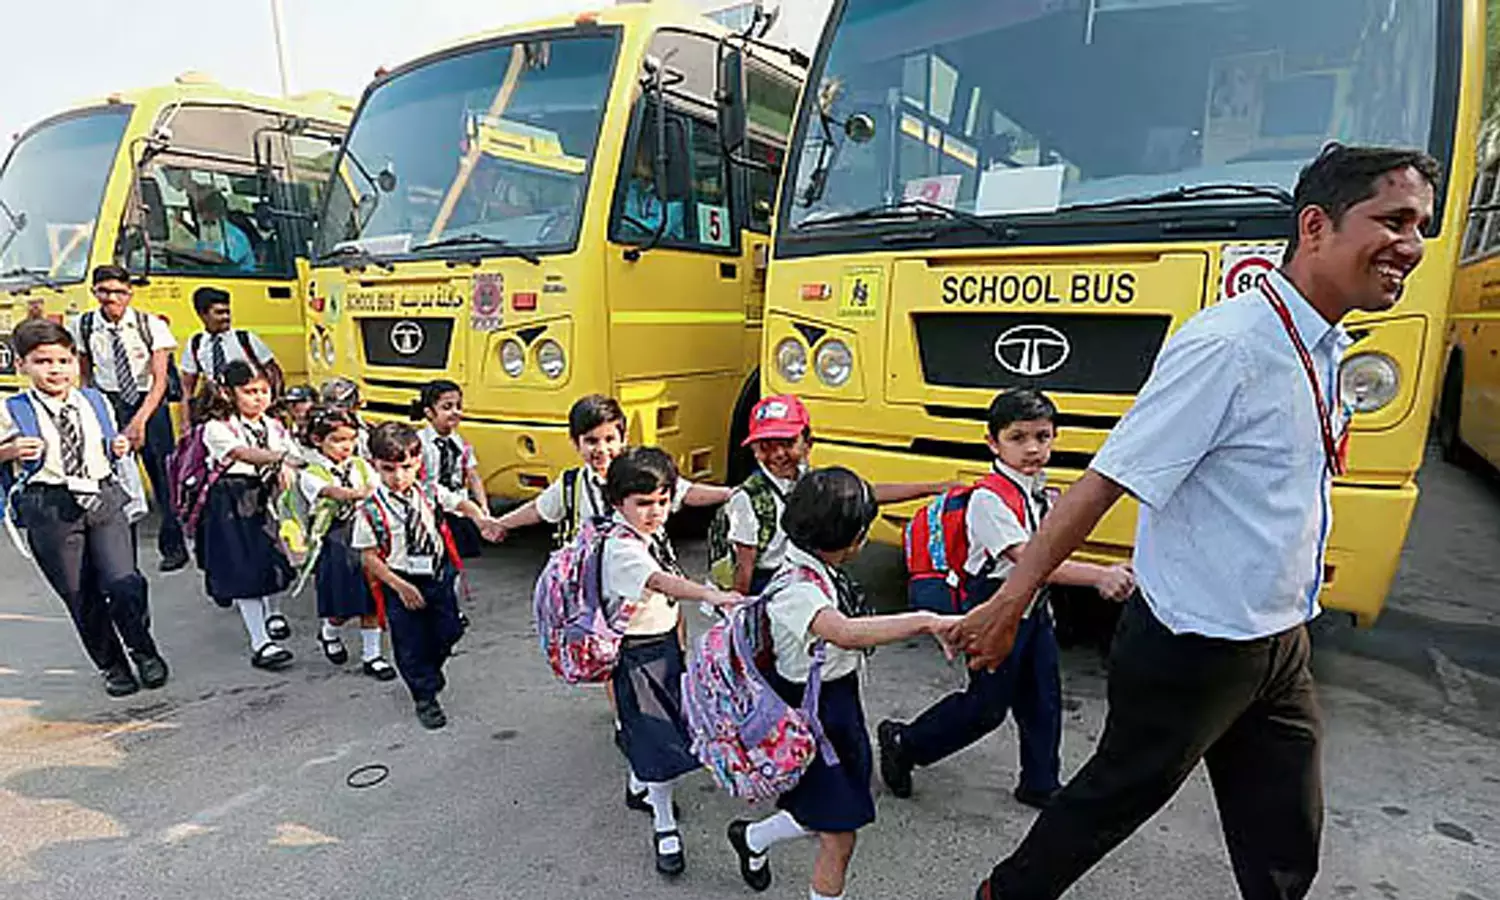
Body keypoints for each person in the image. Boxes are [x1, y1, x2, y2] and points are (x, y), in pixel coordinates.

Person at [957, 144, 1439, 900]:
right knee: (1110, 801)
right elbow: (1104, 483)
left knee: (1286, 839)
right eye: (1395, 221)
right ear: (1316, 226)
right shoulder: (1228, 346)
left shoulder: (1324, 344)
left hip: (1280, 639)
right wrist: (1009, 605)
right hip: (1194, 644)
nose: (1412, 246)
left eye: (1421, 227)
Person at [875, 389, 1135, 808]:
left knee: (1043, 696)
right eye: (1018, 437)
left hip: (1033, 606)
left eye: (1043, 436)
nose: (1033, 448)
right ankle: (905, 742)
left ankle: (1040, 782)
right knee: (987, 706)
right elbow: (1031, 560)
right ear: (992, 443)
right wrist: (1100, 575)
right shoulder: (988, 499)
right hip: (995, 606)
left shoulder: (1038, 490)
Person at [725, 467, 961, 899]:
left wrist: (928, 487)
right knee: (840, 833)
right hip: (814, 717)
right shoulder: (798, 589)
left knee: (827, 810)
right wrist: (926, 621)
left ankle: (753, 838)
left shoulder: (814, 563)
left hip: (834, 705)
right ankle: (758, 842)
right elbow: (845, 633)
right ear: (854, 540)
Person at [0, 319, 168, 697]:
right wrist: (9, 451)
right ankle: (112, 665)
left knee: (124, 582)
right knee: (80, 593)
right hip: (50, 505)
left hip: (101, 496)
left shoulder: (94, 400)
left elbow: (109, 442)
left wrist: (118, 446)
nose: (55, 370)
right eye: (43, 361)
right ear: (22, 365)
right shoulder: (11, 409)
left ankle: (143, 650)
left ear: (76, 361)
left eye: (63, 360)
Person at [599, 447, 738, 876]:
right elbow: (661, 581)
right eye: (643, 503)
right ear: (617, 502)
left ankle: (638, 783)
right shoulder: (621, 547)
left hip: (662, 647)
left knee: (654, 735)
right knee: (661, 741)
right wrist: (710, 594)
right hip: (638, 655)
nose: (656, 511)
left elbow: (688, 497)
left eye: (662, 501)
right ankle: (664, 826)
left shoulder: (648, 533)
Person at [716, 394, 951, 594]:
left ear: (808, 442)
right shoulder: (748, 500)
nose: (777, 454)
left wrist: (931, 488)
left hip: (804, 575)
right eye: (765, 446)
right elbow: (743, 568)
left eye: (787, 443)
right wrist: (740, 614)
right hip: (768, 587)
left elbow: (864, 493)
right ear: (754, 450)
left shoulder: (809, 480)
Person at [353, 422, 501, 729]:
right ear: (374, 465)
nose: (398, 477)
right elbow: (368, 557)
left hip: (436, 574)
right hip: (399, 578)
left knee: (449, 630)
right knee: (409, 643)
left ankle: (429, 670)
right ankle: (424, 696)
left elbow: (460, 503)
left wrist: (480, 518)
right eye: (388, 469)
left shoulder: (430, 492)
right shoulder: (370, 509)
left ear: (418, 461)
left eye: (406, 467)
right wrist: (400, 586)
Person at [491, 394, 731, 545]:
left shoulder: (642, 471)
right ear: (575, 442)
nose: (601, 449)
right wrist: (501, 524)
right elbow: (539, 509)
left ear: (623, 439)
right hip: (592, 586)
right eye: (591, 441)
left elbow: (686, 492)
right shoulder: (571, 484)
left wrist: (731, 493)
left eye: (609, 439)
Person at [73, 265, 189, 572]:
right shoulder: (84, 325)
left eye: (118, 292)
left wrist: (139, 421)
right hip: (110, 402)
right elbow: (85, 375)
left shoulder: (150, 325)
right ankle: (124, 557)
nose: (111, 298)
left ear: (129, 293)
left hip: (148, 403)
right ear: (94, 292)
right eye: (104, 291)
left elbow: (160, 380)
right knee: (117, 481)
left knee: (163, 478)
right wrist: (91, 411)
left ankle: (174, 546)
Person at [197, 361, 300, 670]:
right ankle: (261, 642)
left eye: (264, 391)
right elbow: (242, 453)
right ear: (228, 393)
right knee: (244, 568)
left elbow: (293, 455)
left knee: (273, 559)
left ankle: (273, 615)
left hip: (267, 498)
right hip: (232, 499)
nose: (258, 398)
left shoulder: (274, 426)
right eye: (249, 391)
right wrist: (282, 459)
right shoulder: (217, 427)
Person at [298, 406, 395, 681]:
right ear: (318, 440)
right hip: (338, 539)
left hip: (367, 536)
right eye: (337, 440)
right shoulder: (312, 472)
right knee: (342, 602)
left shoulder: (361, 465)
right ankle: (330, 630)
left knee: (371, 597)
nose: (346, 446)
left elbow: (380, 486)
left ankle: (372, 656)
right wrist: (361, 493)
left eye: (351, 439)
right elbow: (333, 492)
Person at [179, 286, 283, 423]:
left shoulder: (245, 339)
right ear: (202, 315)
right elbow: (187, 388)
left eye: (228, 312)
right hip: (216, 410)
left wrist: (268, 404)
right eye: (219, 313)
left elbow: (274, 373)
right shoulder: (196, 343)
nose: (226, 317)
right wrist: (186, 421)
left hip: (248, 408)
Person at [413, 380, 487, 558]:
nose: (455, 412)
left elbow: (472, 475)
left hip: (458, 511)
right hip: (430, 511)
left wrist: (483, 505)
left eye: (458, 406)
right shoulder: (418, 443)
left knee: (458, 560)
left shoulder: (459, 443)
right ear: (429, 413)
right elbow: (420, 480)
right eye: (447, 407)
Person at [190, 192, 256, 273]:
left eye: (203, 212)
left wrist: (179, 251)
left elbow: (224, 261)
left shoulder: (235, 236)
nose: (201, 216)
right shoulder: (204, 232)